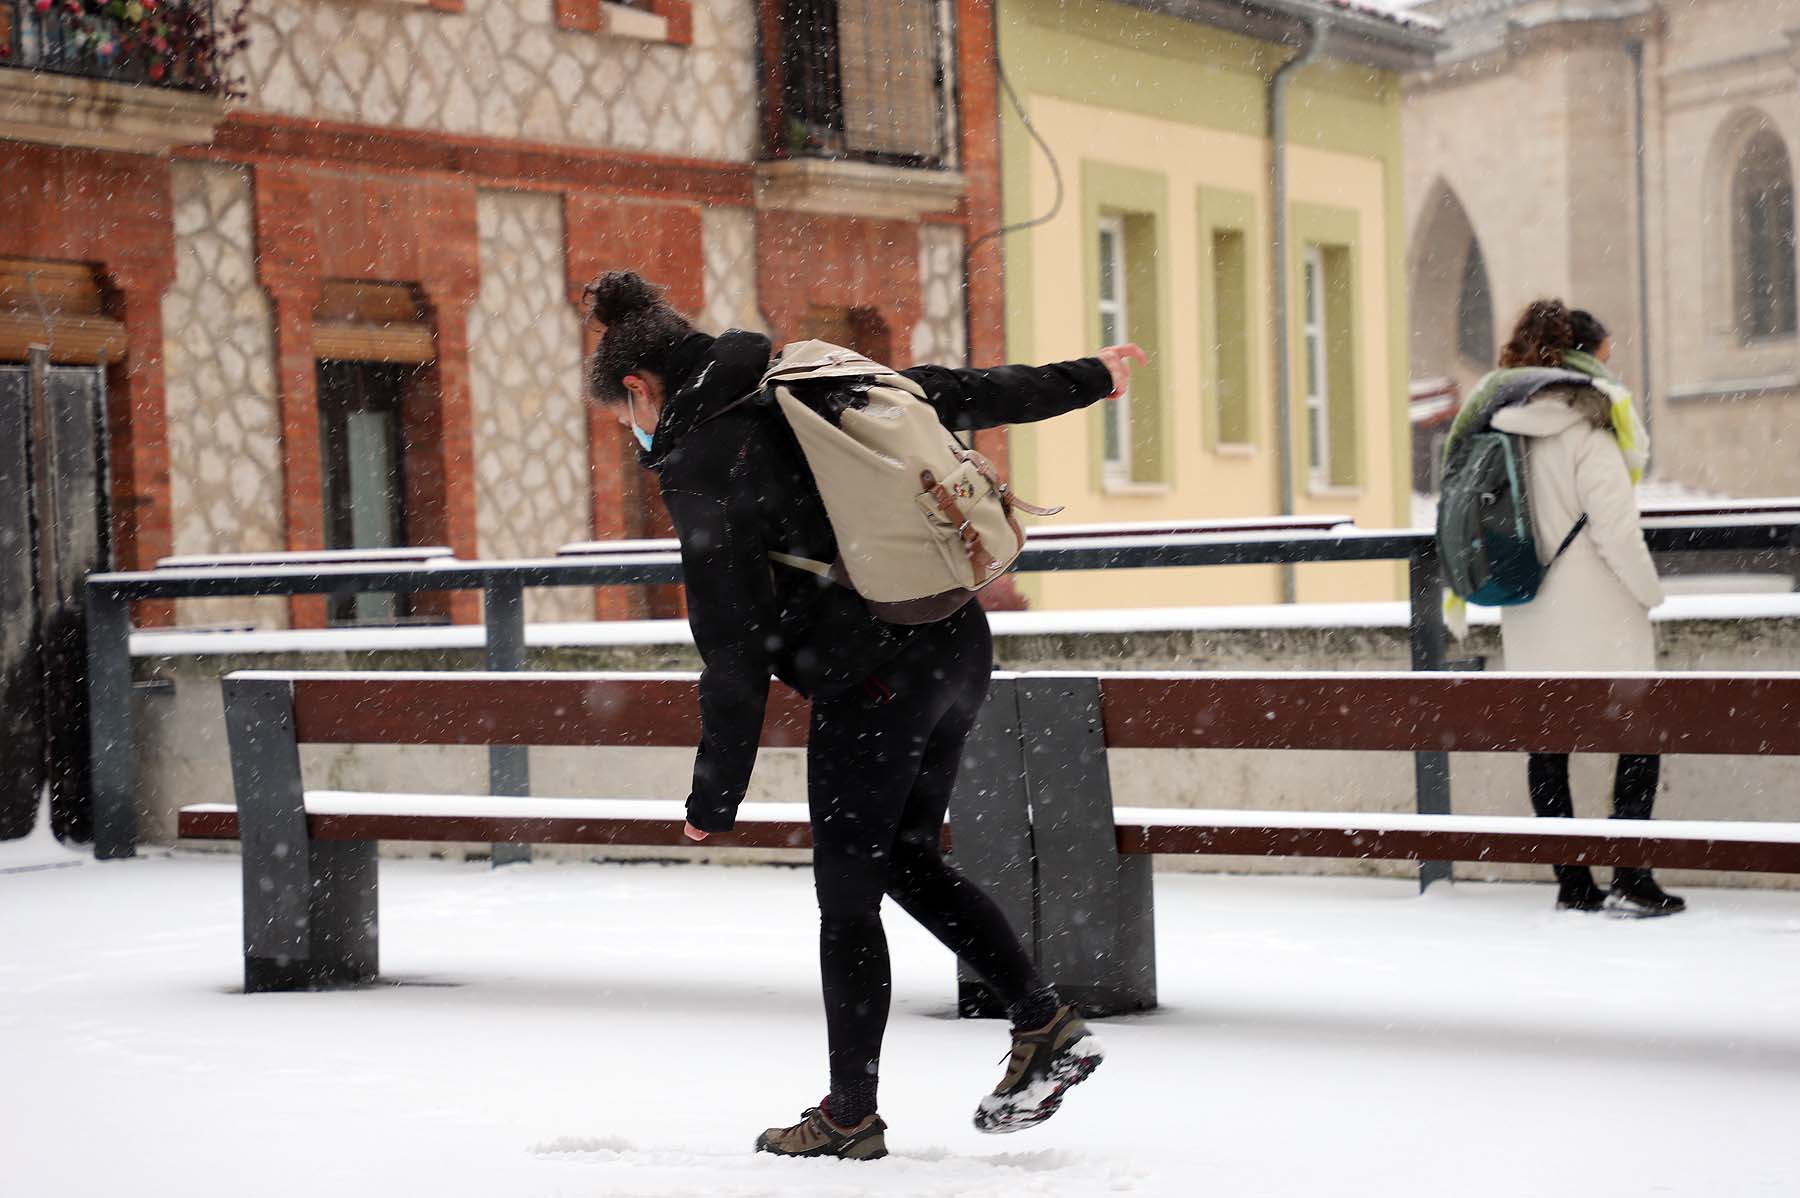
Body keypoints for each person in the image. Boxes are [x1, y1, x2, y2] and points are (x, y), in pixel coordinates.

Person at [582, 270, 1146, 1159]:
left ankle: (851, 1116)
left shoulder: (703, 461)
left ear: (642, 388)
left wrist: (712, 797)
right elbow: (961, 391)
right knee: (907, 858)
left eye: (624, 419)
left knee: (847, 900)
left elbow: (730, 653)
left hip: (873, 681)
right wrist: (1091, 376)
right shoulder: (807, 376)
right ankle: (1041, 1026)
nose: (634, 436)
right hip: (956, 643)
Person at [1457, 299, 1682, 917]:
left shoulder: (1498, 428)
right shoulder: (1589, 432)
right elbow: (1617, 531)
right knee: (1637, 735)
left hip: (1529, 601)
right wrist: (1650, 593)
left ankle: (1573, 880)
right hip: (1603, 608)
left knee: (1547, 744)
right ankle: (1631, 870)